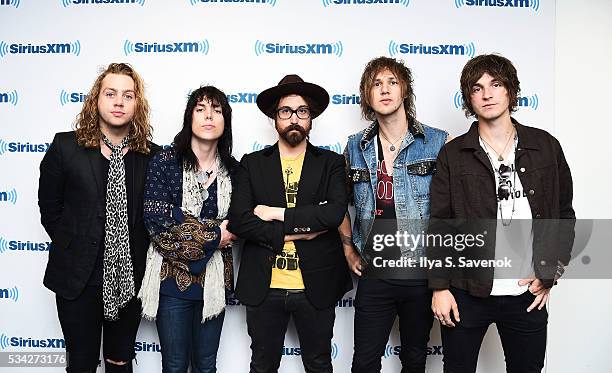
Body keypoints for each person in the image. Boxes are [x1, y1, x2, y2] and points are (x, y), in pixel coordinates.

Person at [428, 54, 575, 373]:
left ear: (510, 91)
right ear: (469, 98)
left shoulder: (545, 146)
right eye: (477, 88)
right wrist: (440, 288)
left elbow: (563, 215)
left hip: (527, 294)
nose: (487, 94)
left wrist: (550, 272)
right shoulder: (454, 154)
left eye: (496, 84)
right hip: (466, 292)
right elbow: (439, 223)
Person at [38, 63, 159, 373]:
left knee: (120, 362)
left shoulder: (152, 155)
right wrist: (75, 246)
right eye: (111, 93)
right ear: (97, 99)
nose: (119, 102)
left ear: (137, 104)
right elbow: (50, 208)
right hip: (78, 278)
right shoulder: (66, 147)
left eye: (128, 95)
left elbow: (156, 216)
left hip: (128, 278)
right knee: (81, 363)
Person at [228, 74, 352, 373]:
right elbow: (240, 221)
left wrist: (273, 213)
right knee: (262, 366)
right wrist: (303, 232)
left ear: (311, 118)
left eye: (302, 111)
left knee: (319, 364)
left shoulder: (331, 163)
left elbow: (334, 214)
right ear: (275, 118)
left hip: (317, 285)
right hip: (264, 285)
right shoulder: (252, 163)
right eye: (286, 111)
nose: (294, 118)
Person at [339, 56, 449, 373]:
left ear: (404, 91)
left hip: (421, 273)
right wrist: (348, 248)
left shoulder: (438, 142)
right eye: (376, 84)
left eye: (392, 82)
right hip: (376, 274)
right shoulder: (355, 147)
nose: (384, 89)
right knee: (364, 362)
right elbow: (335, 204)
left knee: (414, 359)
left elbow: (453, 210)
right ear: (367, 96)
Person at [138, 86, 238, 373]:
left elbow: (240, 222)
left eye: (217, 110)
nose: (209, 116)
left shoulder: (235, 170)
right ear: (189, 117)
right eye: (201, 109)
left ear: (225, 121)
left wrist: (180, 218)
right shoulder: (165, 162)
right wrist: (216, 234)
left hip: (215, 284)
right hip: (171, 284)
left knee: (206, 366)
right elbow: (157, 221)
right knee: (174, 365)